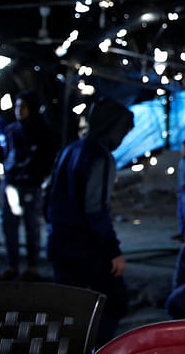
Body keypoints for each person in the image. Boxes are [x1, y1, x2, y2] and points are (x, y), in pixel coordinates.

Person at [45, 97, 134, 348]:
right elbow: (96, 210)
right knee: (115, 302)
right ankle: (93, 348)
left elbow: (48, 196)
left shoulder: (70, 149)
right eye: (124, 131)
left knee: (68, 306)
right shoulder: (101, 158)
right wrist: (113, 251)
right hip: (84, 247)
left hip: (58, 240)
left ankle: (67, 347)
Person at [0, 90, 59, 282]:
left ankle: (32, 267)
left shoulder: (43, 132)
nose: (19, 110)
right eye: (17, 106)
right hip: (11, 183)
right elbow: (6, 154)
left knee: (32, 226)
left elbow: (48, 158)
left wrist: (41, 176)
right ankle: (12, 265)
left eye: (23, 106)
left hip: (31, 184)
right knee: (9, 226)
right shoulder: (11, 130)